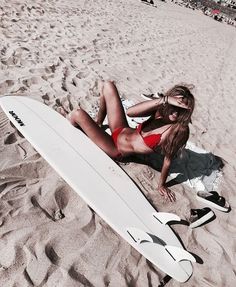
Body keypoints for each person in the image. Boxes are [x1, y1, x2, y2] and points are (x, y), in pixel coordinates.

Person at [60, 81, 195, 202]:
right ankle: (99, 122)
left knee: (78, 114)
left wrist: (161, 185)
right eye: (175, 105)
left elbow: (168, 160)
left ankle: (68, 119)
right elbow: (131, 112)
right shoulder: (160, 112)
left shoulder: (178, 130)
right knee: (108, 86)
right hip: (121, 129)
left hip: (116, 148)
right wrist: (163, 100)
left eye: (182, 109)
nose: (176, 112)